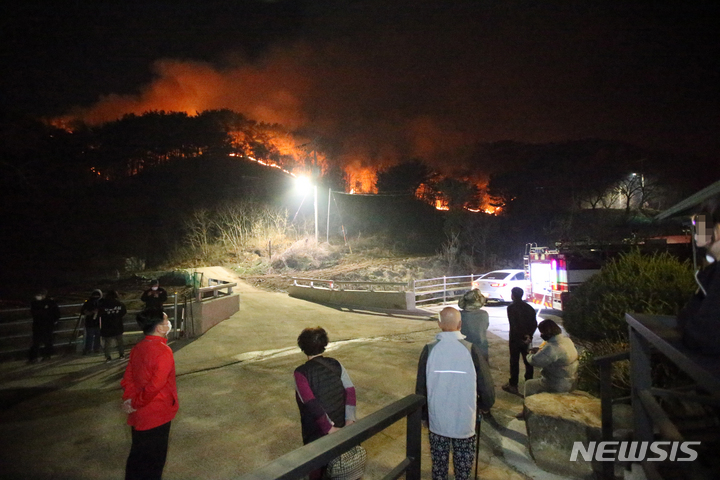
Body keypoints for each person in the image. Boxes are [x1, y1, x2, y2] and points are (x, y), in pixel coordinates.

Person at [415, 307, 495, 480]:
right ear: (460, 324)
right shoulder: (471, 350)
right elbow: (486, 386)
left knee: (439, 467)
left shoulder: (429, 350)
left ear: (439, 324)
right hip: (465, 419)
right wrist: (484, 405)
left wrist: (423, 415)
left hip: (437, 420)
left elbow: (420, 387)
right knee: (463, 469)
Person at [121, 310, 178, 480]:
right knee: (153, 461)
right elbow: (155, 386)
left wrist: (130, 400)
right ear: (160, 328)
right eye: (166, 320)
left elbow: (128, 376)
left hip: (139, 413)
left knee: (138, 455)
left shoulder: (139, 347)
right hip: (157, 413)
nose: (169, 323)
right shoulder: (163, 351)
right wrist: (136, 403)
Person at [294, 327, 357, 480]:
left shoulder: (301, 373)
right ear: (324, 344)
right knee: (342, 467)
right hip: (342, 424)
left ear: (302, 347)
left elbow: (310, 402)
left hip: (317, 431)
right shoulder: (335, 364)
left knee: (317, 467)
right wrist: (350, 419)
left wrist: (329, 428)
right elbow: (350, 390)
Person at [678, 193, 720, 354]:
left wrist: (690, 328)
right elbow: (686, 315)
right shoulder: (711, 272)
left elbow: (705, 335)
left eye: (701, 223)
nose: (696, 232)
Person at [524, 319, 578, 398]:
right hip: (571, 380)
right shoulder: (566, 340)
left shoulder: (553, 347)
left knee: (529, 385)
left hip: (557, 383)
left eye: (542, 332)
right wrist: (540, 351)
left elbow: (535, 361)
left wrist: (530, 354)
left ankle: (528, 408)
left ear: (547, 332)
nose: (541, 335)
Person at [502, 287, 538, 396]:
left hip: (515, 338)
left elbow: (514, 325)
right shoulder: (529, 308)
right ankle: (529, 382)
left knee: (514, 361)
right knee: (528, 361)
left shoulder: (511, 308)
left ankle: (513, 384)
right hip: (526, 339)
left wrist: (522, 336)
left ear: (513, 295)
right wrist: (528, 336)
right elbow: (534, 323)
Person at [28, 288, 61, 363]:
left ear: (44, 295)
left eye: (39, 295)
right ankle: (33, 358)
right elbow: (33, 313)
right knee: (36, 342)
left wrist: (53, 321)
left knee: (47, 341)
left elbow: (57, 313)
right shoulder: (34, 303)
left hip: (47, 325)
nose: (38, 297)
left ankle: (46, 355)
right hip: (38, 325)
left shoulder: (50, 302)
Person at [458, 288, 490, 361]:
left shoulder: (459, 315)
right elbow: (486, 326)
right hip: (481, 346)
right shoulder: (484, 314)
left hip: (464, 346)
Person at [100, 290, 127, 362]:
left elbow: (100, 313)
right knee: (120, 341)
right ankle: (121, 355)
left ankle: (108, 357)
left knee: (107, 343)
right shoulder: (120, 304)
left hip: (107, 326)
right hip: (117, 325)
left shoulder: (103, 304)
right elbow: (123, 313)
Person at [80, 289, 103, 355]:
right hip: (92, 322)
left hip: (97, 322)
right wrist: (90, 312)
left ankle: (94, 349)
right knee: (92, 336)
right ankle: (91, 349)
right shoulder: (89, 302)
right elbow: (83, 311)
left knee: (95, 336)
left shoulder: (100, 302)